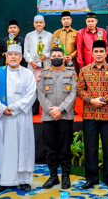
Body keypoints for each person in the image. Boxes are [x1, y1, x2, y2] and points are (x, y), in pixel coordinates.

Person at [0, 44, 37, 194]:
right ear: (6, 57)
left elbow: (31, 94)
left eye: (17, 54)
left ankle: (23, 180)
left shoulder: (28, 74)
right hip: (3, 116)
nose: (14, 57)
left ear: (21, 57)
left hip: (21, 116)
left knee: (23, 146)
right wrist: (3, 109)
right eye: (11, 54)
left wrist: (14, 108)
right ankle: (4, 181)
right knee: (3, 147)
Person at [77, 40, 108, 190]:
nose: (99, 54)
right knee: (90, 148)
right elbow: (80, 89)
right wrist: (91, 100)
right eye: (96, 51)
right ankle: (91, 179)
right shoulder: (84, 70)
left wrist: (102, 100)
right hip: (90, 114)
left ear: (106, 52)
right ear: (92, 53)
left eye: (101, 51)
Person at [37, 47, 77, 190]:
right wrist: (52, 110)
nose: (56, 57)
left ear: (64, 57)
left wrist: (60, 109)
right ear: (49, 58)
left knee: (65, 148)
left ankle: (65, 176)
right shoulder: (43, 74)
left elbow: (74, 92)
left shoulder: (71, 73)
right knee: (50, 148)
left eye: (59, 55)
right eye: (54, 55)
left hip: (65, 116)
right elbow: (40, 93)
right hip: (49, 117)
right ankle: (53, 176)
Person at [24, 15, 52, 115]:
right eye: (37, 23)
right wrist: (31, 61)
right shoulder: (29, 35)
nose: (39, 24)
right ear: (34, 24)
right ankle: (34, 109)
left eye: (40, 22)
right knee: (33, 87)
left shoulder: (50, 35)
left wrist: (46, 56)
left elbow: (51, 50)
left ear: (44, 24)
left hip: (46, 65)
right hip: (33, 66)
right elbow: (25, 52)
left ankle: (46, 108)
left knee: (46, 86)